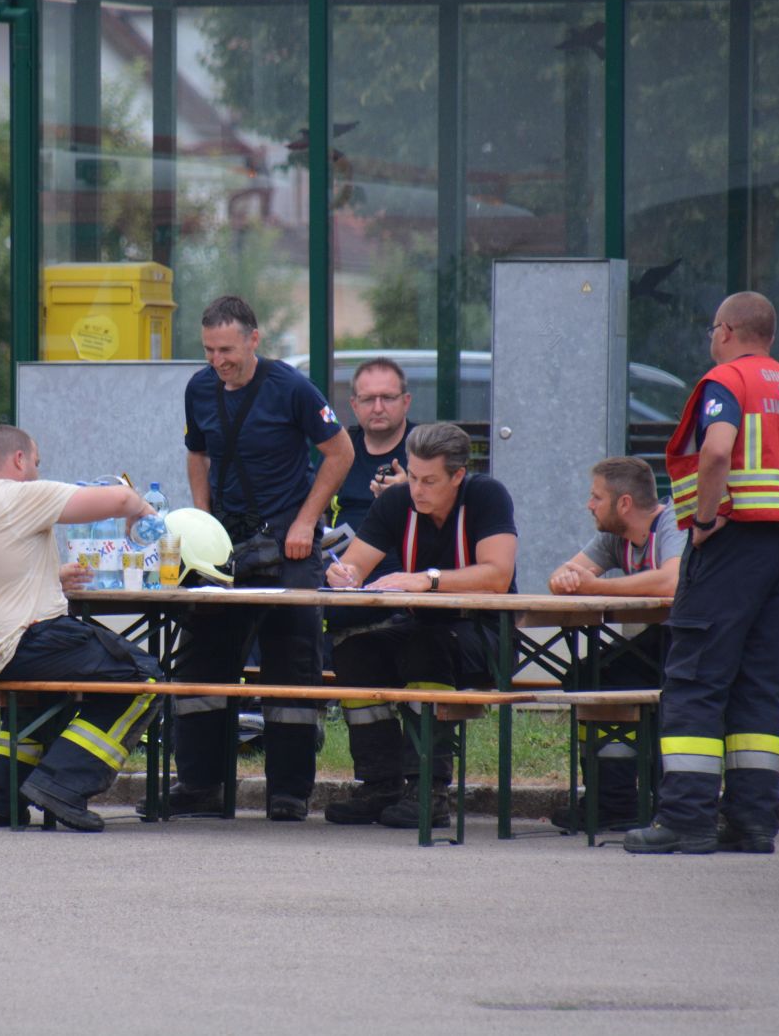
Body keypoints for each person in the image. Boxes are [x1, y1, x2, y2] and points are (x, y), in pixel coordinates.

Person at [624, 291, 779, 856]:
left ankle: (686, 819)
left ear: (726, 331)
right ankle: (752, 821)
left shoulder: (728, 381)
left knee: (696, 675)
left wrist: (705, 519)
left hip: (730, 543)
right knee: (758, 683)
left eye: (712, 330)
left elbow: (716, 453)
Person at [165, 295, 353, 821]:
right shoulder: (199, 388)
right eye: (209, 350)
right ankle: (200, 786)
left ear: (253, 339)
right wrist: (202, 521)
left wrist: (306, 521)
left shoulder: (291, 387)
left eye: (227, 350)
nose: (217, 361)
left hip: (289, 542)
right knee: (201, 661)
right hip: (225, 546)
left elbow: (340, 453)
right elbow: (197, 453)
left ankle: (289, 793)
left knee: (292, 664)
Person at [0, 425, 163, 833]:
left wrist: (52, 577)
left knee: (47, 686)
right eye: (37, 463)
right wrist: (143, 511)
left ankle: (2, 796)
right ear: (19, 460)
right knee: (143, 677)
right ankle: (63, 784)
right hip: (16, 645)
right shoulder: (17, 495)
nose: (38, 472)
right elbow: (120, 498)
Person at [321, 422, 518, 829]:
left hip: (485, 634)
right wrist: (343, 574)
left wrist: (428, 579)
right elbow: (355, 564)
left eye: (429, 481)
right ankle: (379, 784)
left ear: (458, 476)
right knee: (355, 651)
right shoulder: (397, 502)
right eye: (412, 477)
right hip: (423, 629)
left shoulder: (487, 496)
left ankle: (429, 788)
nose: (417, 490)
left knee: (425, 647)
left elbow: (498, 575)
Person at [546, 456, 683, 831]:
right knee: (590, 675)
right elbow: (564, 574)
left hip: (696, 641)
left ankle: (663, 800)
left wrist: (595, 587)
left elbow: (672, 581)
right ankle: (611, 802)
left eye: (596, 497)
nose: (589, 505)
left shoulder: (673, 522)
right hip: (659, 640)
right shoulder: (613, 535)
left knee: (653, 686)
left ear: (624, 503)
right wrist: (566, 580)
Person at [332, 357, 414, 534]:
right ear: (354, 405)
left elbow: (450, 513)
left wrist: (411, 492)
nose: (378, 408)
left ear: (406, 402)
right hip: (340, 551)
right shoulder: (339, 449)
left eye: (388, 398)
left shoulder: (425, 447)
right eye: (368, 399)